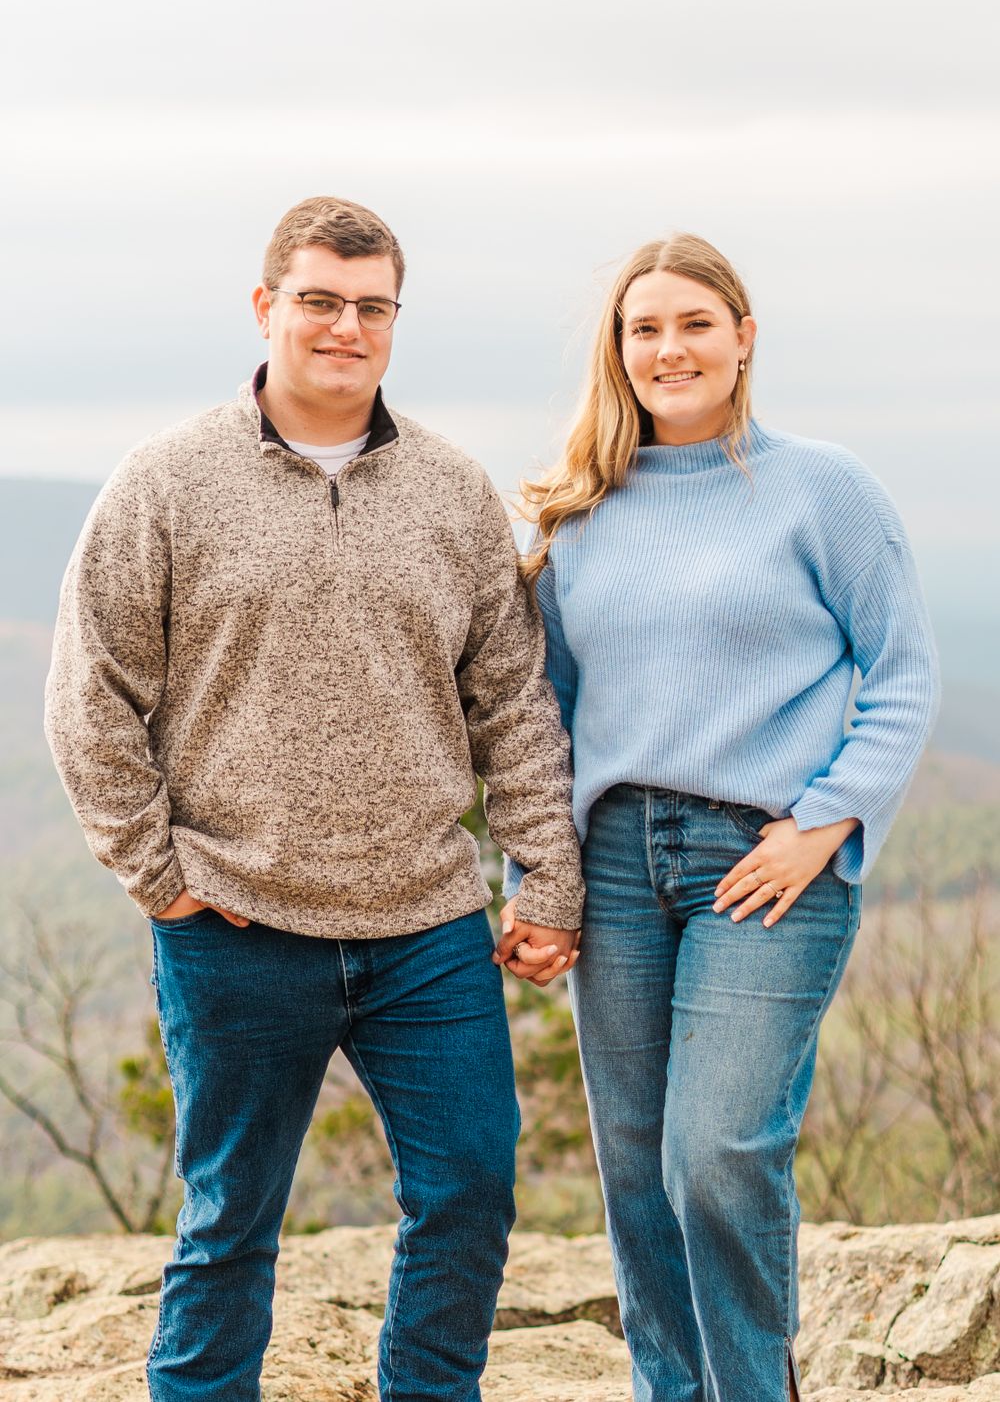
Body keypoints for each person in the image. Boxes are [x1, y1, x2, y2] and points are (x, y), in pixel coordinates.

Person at [44, 195, 583, 1402]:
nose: (346, 326)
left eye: (371, 306)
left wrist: (545, 875)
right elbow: (91, 696)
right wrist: (161, 877)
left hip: (427, 925)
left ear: (395, 317)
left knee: (469, 1194)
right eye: (321, 301)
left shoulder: (450, 491)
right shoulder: (167, 482)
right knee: (230, 1216)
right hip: (236, 924)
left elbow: (512, 703)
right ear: (267, 307)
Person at [494, 233, 939, 1402]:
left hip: (766, 859)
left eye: (695, 322)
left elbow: (901, 676)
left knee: (716, 1153)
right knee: (637, 1172)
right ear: (619, 352)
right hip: (616, 862)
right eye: (645, 328)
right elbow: (546, 718)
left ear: (744, 338)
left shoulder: (822, 488)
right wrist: (536, 882)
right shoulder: (581, 512)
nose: (669, 347)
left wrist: (826, 821)